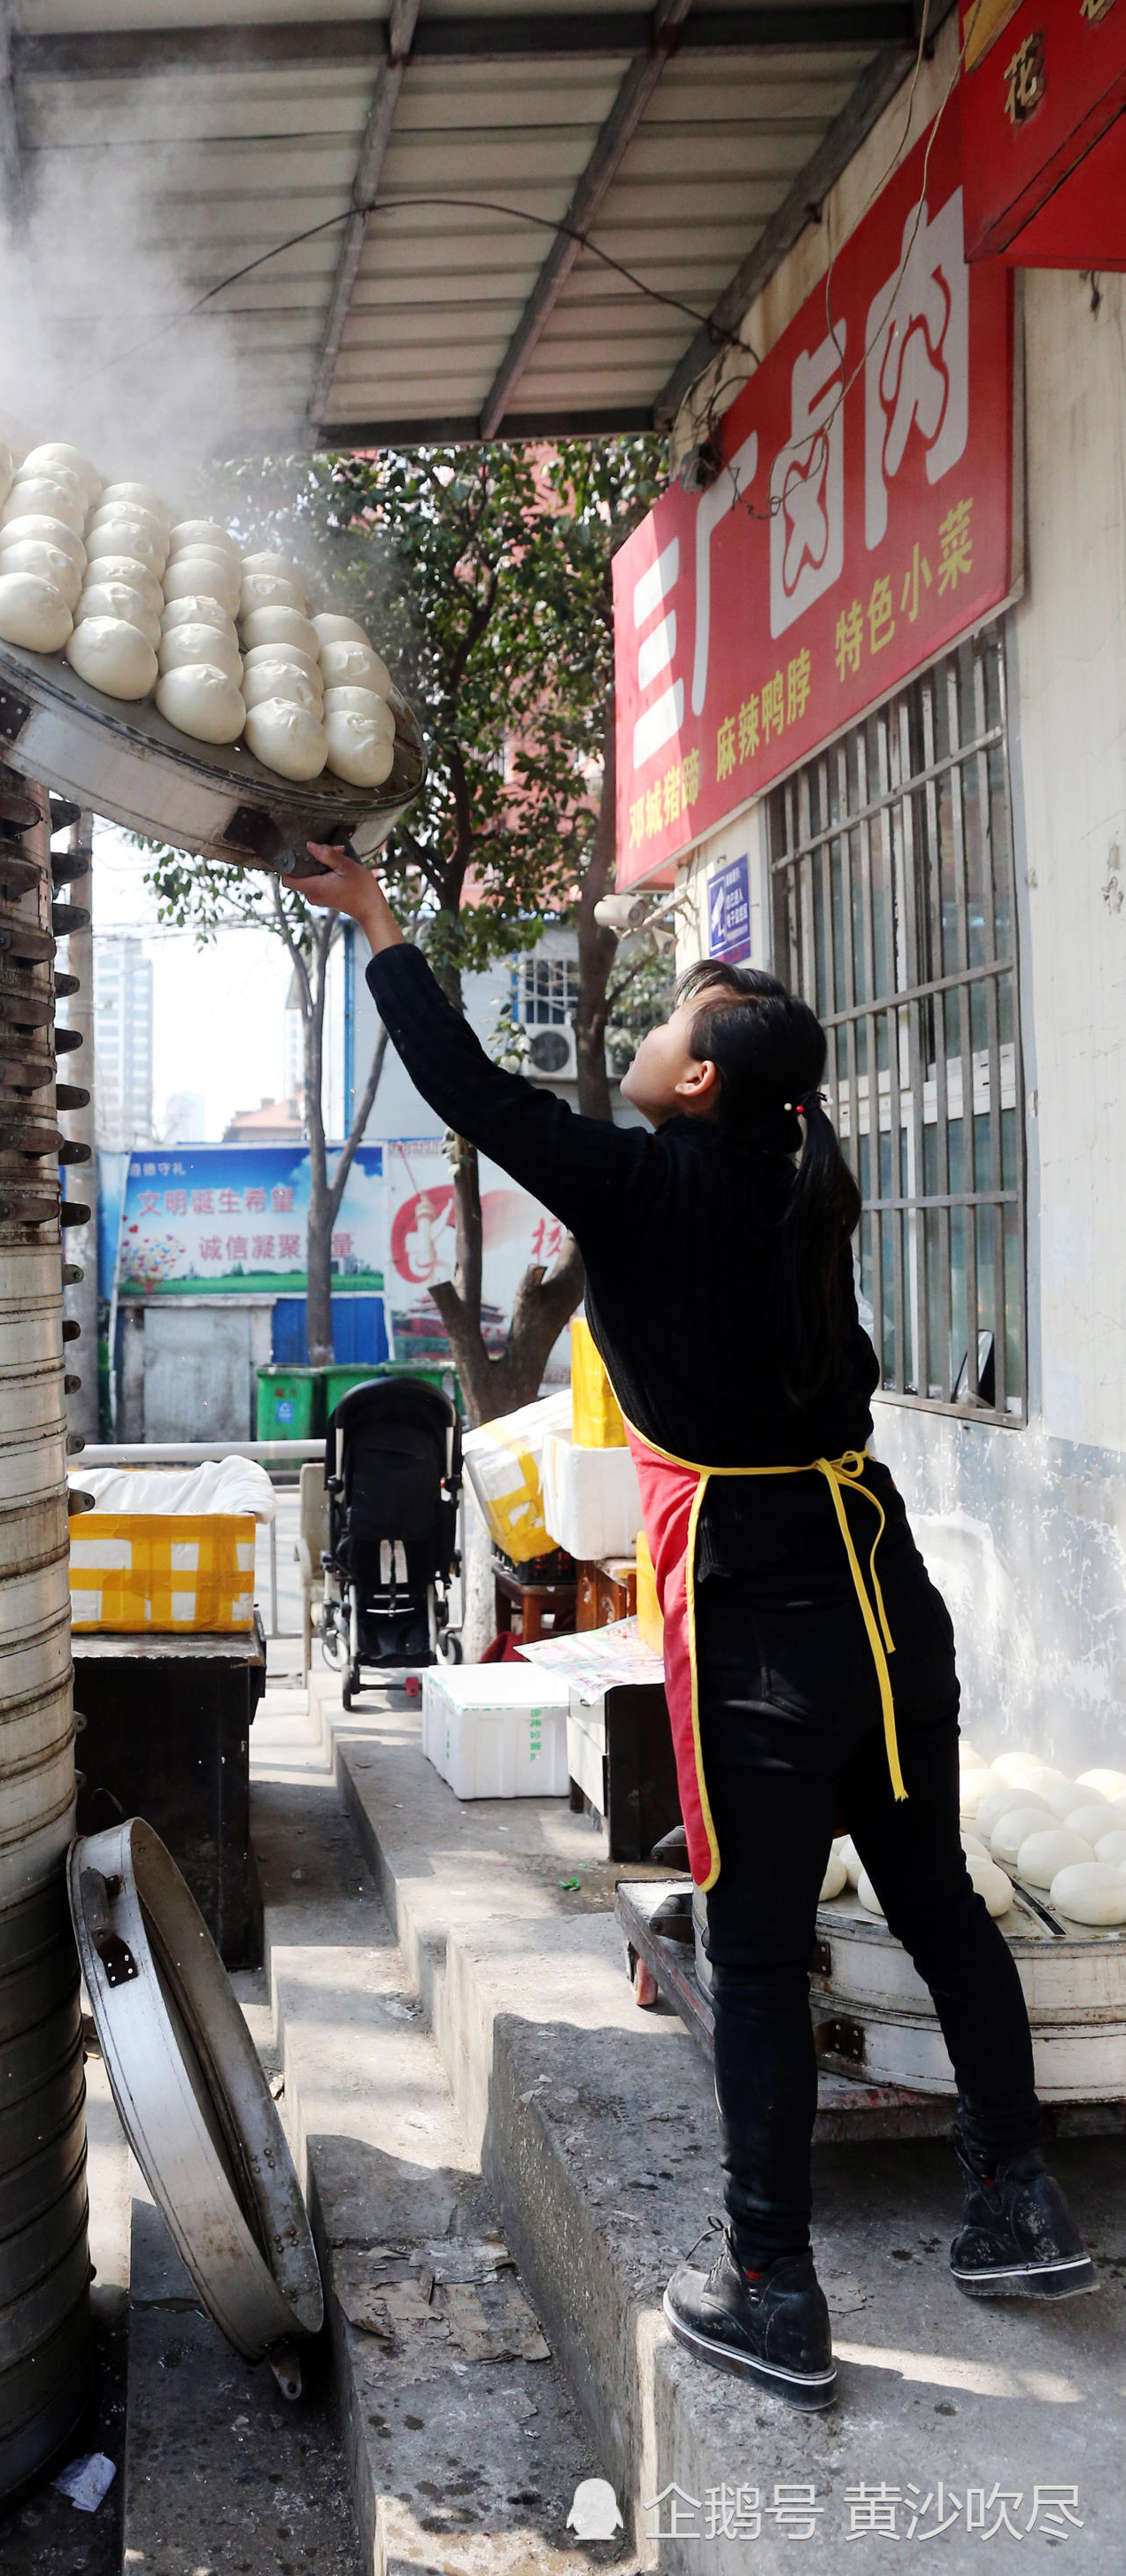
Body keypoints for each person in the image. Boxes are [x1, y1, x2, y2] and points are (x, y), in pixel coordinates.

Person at [286, 842, 1096, 2411]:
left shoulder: (646, 1183)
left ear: (704, 1078)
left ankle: (771, 2285)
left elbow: (468, 1087)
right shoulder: (798, 1183)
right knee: (936, 1897)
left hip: (762, 1616)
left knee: (759, 1950)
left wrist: (378, 918)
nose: (649, 1038)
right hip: (883, 1593)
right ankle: (1016, 2202)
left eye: (669, 1024)